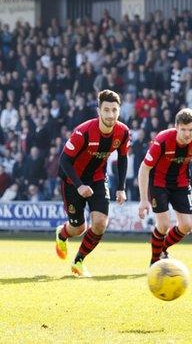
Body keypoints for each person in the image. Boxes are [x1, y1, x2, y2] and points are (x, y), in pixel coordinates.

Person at [54, 89, 129, 277]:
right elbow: (64, 160)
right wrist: (79, 185)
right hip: (72, 181)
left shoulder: (123, 132)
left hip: (97, 179)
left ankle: (78, 262)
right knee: (78, 228)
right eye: (106, 110)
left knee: (100, 223)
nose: (111, 115)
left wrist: (121, 188)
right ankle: (62, 234)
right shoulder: (83, 131)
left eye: (114, 110)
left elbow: (122, 158)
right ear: (99, 111)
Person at [137, 108, 192, 265]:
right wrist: (143, 200)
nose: (187, 134)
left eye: (191, 129)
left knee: (187, 225)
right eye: (183, 129)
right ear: (176, 127)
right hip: (159, 183)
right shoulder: (162, 140)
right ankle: (154, 262)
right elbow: (144, 168)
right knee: (163, 225)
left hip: (181, 183)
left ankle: (161, 248)